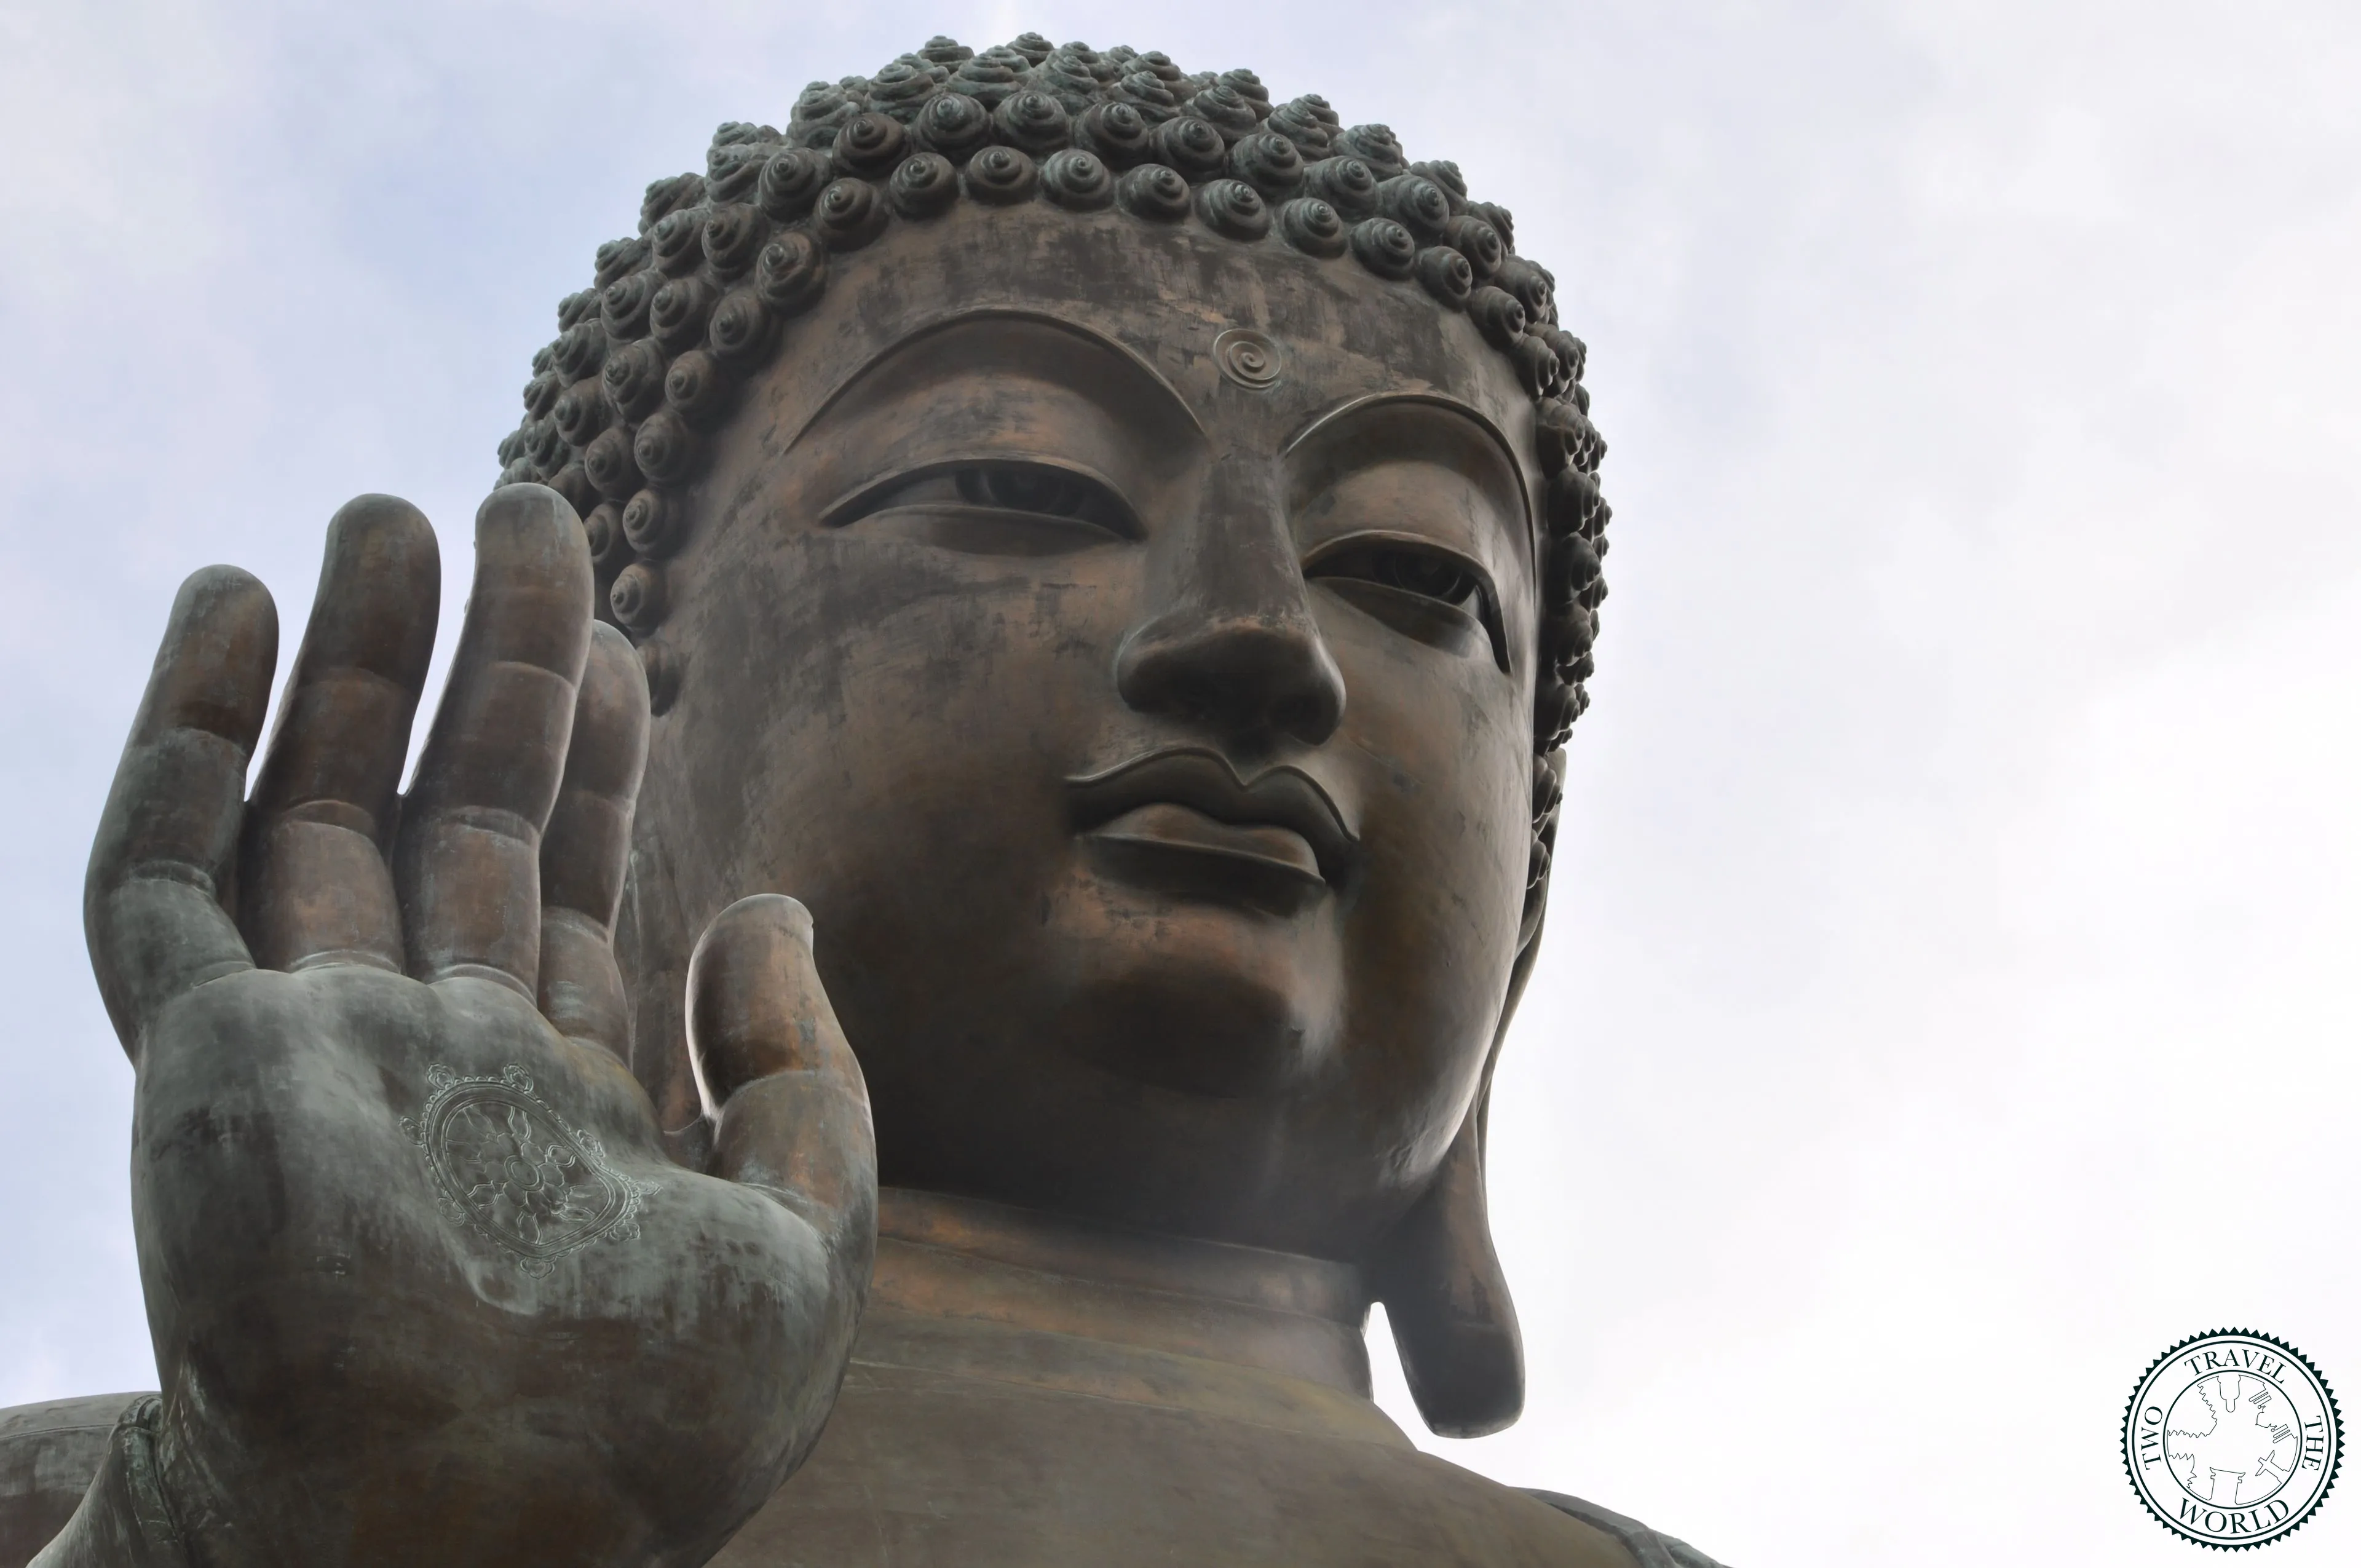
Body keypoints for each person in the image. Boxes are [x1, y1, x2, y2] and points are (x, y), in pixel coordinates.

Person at [0, 34, 1726, 1568]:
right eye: (1019, 481)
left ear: (1527, 920)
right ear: (603, 740)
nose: (1260, 638)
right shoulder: (118, 1496)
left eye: (1419, 576)